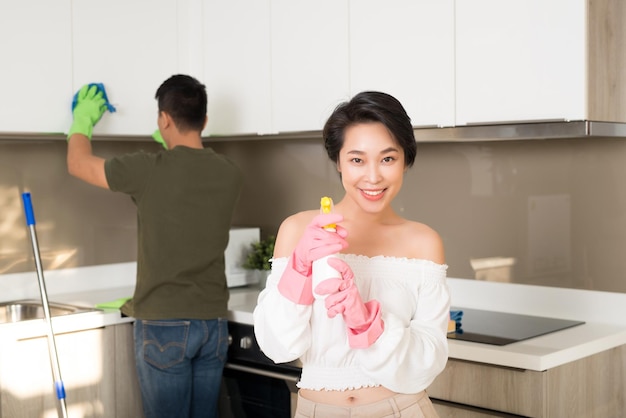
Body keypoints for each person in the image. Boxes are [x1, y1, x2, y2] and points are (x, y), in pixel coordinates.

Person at [253, 91, 450, 417]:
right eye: (357, 159)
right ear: (339, 162)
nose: (373, 177)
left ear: (405, 161)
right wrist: (300, 269)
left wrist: (369, 325)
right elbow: (278, 347)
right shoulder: (300, 231)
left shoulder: (423, 242)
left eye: (388, 158)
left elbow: (428, 361)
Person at [66, 75, 243, 418]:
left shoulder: (147, 169)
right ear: (204, 121)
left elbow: (78, 164)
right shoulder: (230, 173)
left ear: (163, 118)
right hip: (213, 324)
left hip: (163, 323)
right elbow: (186, 181)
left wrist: (82, 119)